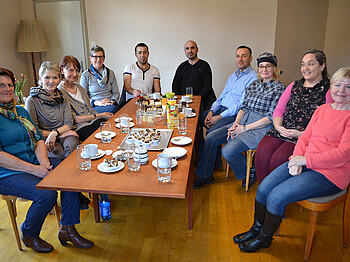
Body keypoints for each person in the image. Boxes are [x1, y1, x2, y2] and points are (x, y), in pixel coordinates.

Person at [234, 67, 350, 253]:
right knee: (264, 188)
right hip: (305, 161)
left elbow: (343, 154)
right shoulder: (322, 110)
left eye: (348, 87)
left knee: (277, 197)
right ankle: (255, 229)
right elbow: (305, 137)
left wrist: (305, 161)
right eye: (338, 85)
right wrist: (296, 158)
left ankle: (264, 238)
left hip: (330, 174)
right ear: (332, 86)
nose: (341, 91)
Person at [0, 68, 94, 253]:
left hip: (33, 163)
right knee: (47, 195)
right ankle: (29, 233)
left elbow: (37, 139)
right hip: (7, 172)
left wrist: (43, 164)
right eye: (1, 85)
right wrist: (34, 170)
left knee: (70, 175)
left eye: (10, 84)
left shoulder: (19, 111)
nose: (7, 89)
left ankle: (67, 228)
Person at [194, 53, 285, 189]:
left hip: (260, 127)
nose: (264, 70)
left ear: (274, 68)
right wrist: (236, 124)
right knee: (212, 137)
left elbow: (270, 117)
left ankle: (249, 172)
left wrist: (244, 128)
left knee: (228, 151)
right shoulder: (254, 84)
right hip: (243, 120)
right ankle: (207, 175)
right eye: (261, 66)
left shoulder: (280, 88)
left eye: (268, 66)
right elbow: (243, 107)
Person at [255, 49, 332, 184]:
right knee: (262, 152)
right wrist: (278, 126)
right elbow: (279, 110)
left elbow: (328, 123)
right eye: (303, 64)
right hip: (283, 129)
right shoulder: (294, 85)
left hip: (305, 137)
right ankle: (263, 192)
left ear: (322, 65)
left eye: (310, 64)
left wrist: (301, 134)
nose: (305, 68)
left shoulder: (329, 90)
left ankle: (275, 196)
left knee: (278, 159)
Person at [200, 45, 257, 144]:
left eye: (244, 56)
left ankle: (211, 157)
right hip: (221, 109)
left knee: (210, 134)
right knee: (198, 119)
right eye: (238, 56)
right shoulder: (232, 76)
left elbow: (240, 105)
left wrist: (218, 117)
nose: (240, 59)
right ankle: (201, 152)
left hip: (234, 115)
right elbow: (222, 96)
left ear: (250, 59)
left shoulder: (253, 77)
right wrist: (212, 111)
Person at [25, 61, 79, 161]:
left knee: (73, 144)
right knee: (58, 153)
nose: (51, 81)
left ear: (59, 79)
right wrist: (54, 134)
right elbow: (34, 130)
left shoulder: (63, 98)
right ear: (40, 78)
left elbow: (69, 124)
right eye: (47, 77)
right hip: (44, 137)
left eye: (55, 77)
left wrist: (55, 134)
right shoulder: (32, 100)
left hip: (61, 133)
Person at [58, 55, 113, 141]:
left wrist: (100, 116)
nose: (75, 74)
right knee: (97, 136)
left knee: (110, 128)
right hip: (80, 126)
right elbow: (75, 119)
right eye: (71, 70)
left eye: (77, 70)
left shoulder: (80, 88)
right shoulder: (60, 92)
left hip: (93, 120)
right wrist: (100, 114)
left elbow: (90, 109)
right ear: (62, 70)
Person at [172, 40, 216, 111]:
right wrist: (180, 99)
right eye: (187, 48)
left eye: (192, 48)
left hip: (201, 100)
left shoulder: (205, 65)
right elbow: (175, 85)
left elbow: (207, 87)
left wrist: (196, 99)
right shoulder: (181, 67)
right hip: (183, 101)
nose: (190, 51)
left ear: (197, 49)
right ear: (185, 51)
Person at [80, 45, 120, 114]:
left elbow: (116, 93)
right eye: (95, 57)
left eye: (100, 57)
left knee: (116, 109)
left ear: (104, 58)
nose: (98, 60)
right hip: (95, 106)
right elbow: (83, 97)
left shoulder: (110, 73)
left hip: (110, 104)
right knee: (114, 111)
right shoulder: (85, 75)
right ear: (90, 58)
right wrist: (96, 102)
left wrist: (111, 101)